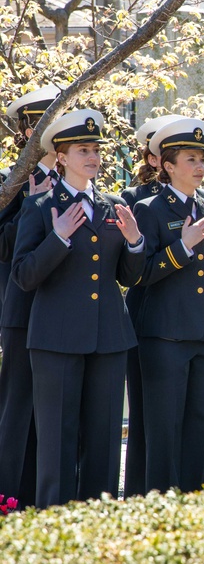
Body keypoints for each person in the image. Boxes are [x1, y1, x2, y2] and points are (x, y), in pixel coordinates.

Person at [11, 109, 145, 508]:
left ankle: (99, 525)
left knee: (104, 440)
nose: (93, 156)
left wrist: (136, 242)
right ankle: (55, 525)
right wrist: (58, 238)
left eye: (95, 149)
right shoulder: (40, 207)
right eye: (83, 149)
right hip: (56, 339)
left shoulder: (114, 205)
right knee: (57, 440)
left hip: (108, 336)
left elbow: (128, 275)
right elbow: (23, 275)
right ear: (62, 156)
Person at [133, 117, 204, 493]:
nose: (200, 167)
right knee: (164, 427)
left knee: (200, 422)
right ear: (167, 165)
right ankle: (162, 505)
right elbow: (140, 273)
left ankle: (195, 505)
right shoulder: (150, 209)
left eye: (202, 159)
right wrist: (182, 246)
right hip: (164, 334)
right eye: (191, 159)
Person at [0, 85, 61, 507]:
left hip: (65, 313)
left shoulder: (83, 180)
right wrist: (29, 206)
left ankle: (50, 496)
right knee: (18, 408)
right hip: (22, 309)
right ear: (26, 134)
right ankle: (10, 497)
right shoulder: (11, 183)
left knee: (56, 412)